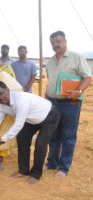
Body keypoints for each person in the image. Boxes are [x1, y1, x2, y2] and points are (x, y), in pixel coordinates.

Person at [0, 81, 61, 184]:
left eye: (1, 93)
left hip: (49, 114)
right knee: (22, 137)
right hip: (32, 118)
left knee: (40, 144)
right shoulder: (2, 106)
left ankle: (36, 175)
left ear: (8, 90)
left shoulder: (20, 100)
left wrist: (2, 140)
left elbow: (18, 125)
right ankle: (23, 170)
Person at [44, 31, 92, 177]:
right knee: (53, 134)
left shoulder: (77, 57)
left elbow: (88, 77)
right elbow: (50, 83)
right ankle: (52, 163)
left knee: (68, 135)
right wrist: (46, 100)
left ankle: (63, 167)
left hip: (70, 103)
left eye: (58, 41)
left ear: (65, 41)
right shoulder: (50, 61)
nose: (55, 45)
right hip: (52, 102)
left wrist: (78, 91)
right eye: (53, 43)